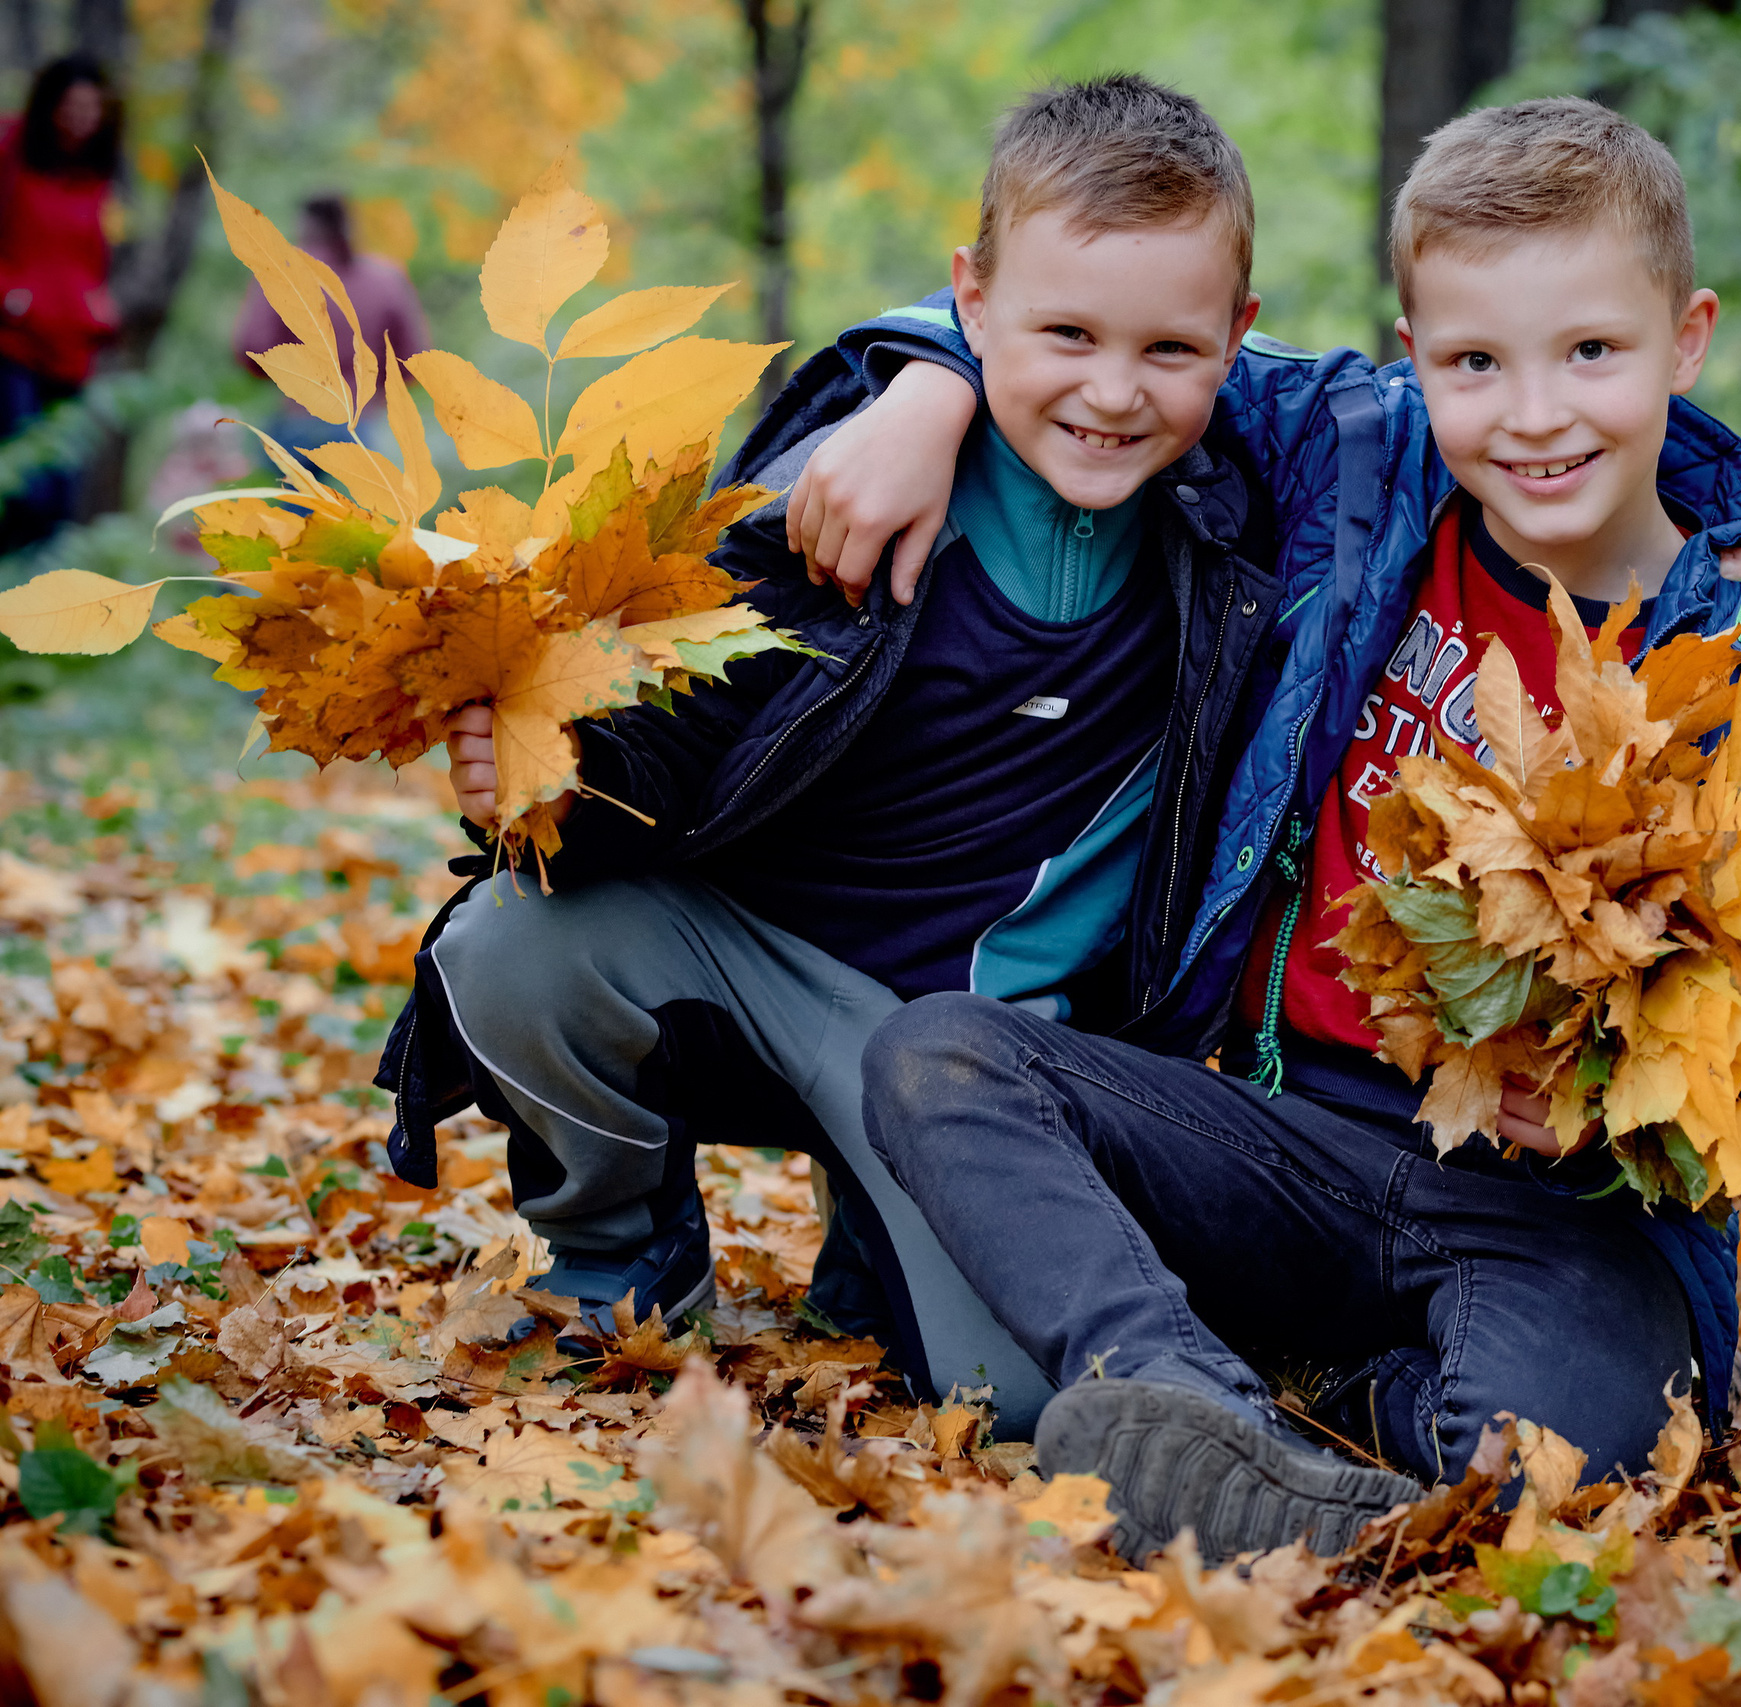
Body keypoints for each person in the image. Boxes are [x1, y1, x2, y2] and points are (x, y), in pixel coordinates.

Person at [803, 98, 1741, 1562]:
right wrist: (923, 390)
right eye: (1475, 362)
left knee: (1560, 1469)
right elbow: (1109, 336)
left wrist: (1645, 1102)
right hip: (1288, 1137)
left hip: (1552, 1212)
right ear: (1414, 355)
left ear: (1686, 338)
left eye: (1591, 351)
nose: (1534, 414)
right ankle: (1179, 1392)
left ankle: (1340, 1411)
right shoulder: (1359, 467)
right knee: (941, 1054)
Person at [372, 77, 1303, 1444]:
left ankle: (877, 1237)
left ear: (1238, 333)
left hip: (981, 1055)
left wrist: (936, 374)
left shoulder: (1241, 522)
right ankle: (616, 1253)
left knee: (1015, 1402)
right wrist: (552, 776)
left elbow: (1463, 400)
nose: (1113, 391)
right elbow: (682, 724)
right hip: (754, 968)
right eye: (1064, 334)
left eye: (1169, 348)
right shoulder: (848, 490)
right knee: (511, 943)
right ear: (971, 299)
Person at [0, 55, 121, 551]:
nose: (82, 119)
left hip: (73, 350)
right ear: (49, 106)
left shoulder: (97, 173)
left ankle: (45, 589)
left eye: (92, 108)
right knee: (24, 485)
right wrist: (11, 295)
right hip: (13, 345)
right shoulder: (11, 150)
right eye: (72, 106)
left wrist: (99, 307)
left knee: (61, 495)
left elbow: (90, 256)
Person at [232, 193, 429, 452]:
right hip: (363, 423)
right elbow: (411, 359)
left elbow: (253, 347)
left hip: (298, 418)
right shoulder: (386, 278)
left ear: (304, 225)